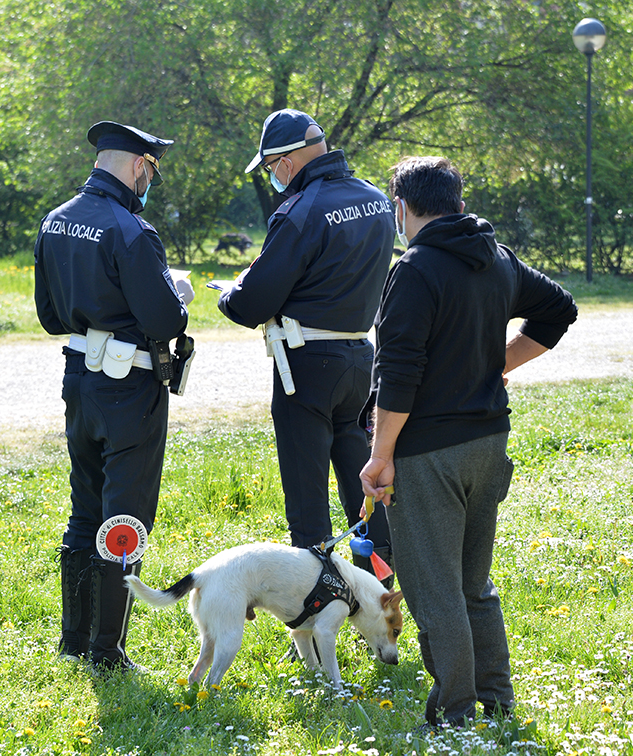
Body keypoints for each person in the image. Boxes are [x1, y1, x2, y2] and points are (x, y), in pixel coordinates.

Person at [359, 156, 578, 728]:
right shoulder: (496, 257)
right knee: (472, 584)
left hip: (428, 453)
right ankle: (497, 701)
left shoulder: (415, 269)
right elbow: (560, 309)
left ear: (401, 206)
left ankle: (453, 715)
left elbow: (397, 373)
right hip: (488, 442)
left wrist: (380, 456)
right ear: (458, 201)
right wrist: (495, 367)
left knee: (435, 593)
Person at [34, 121, 195, 671]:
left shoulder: (55, 221)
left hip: (79, 380)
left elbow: (51, 317)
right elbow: (165, 319)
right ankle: (108, 651)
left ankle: (74, 640)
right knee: (124, 517)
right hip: (130, 388)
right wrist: (178, 293)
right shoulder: (130, 230)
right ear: (138, 166)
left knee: (85, 510)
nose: (150, 181)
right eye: (152, 170)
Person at [217, 109, 395, 579]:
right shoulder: (376, 200)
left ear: (289, 161)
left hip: (306, 364)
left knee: (307, 499)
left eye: (272, 167)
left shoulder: (299, 210)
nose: (273, 177)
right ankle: (379, 596)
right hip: (362, 357)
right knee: (366, 492)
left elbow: (250, 304)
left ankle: (317, 616)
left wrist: (231, 293)